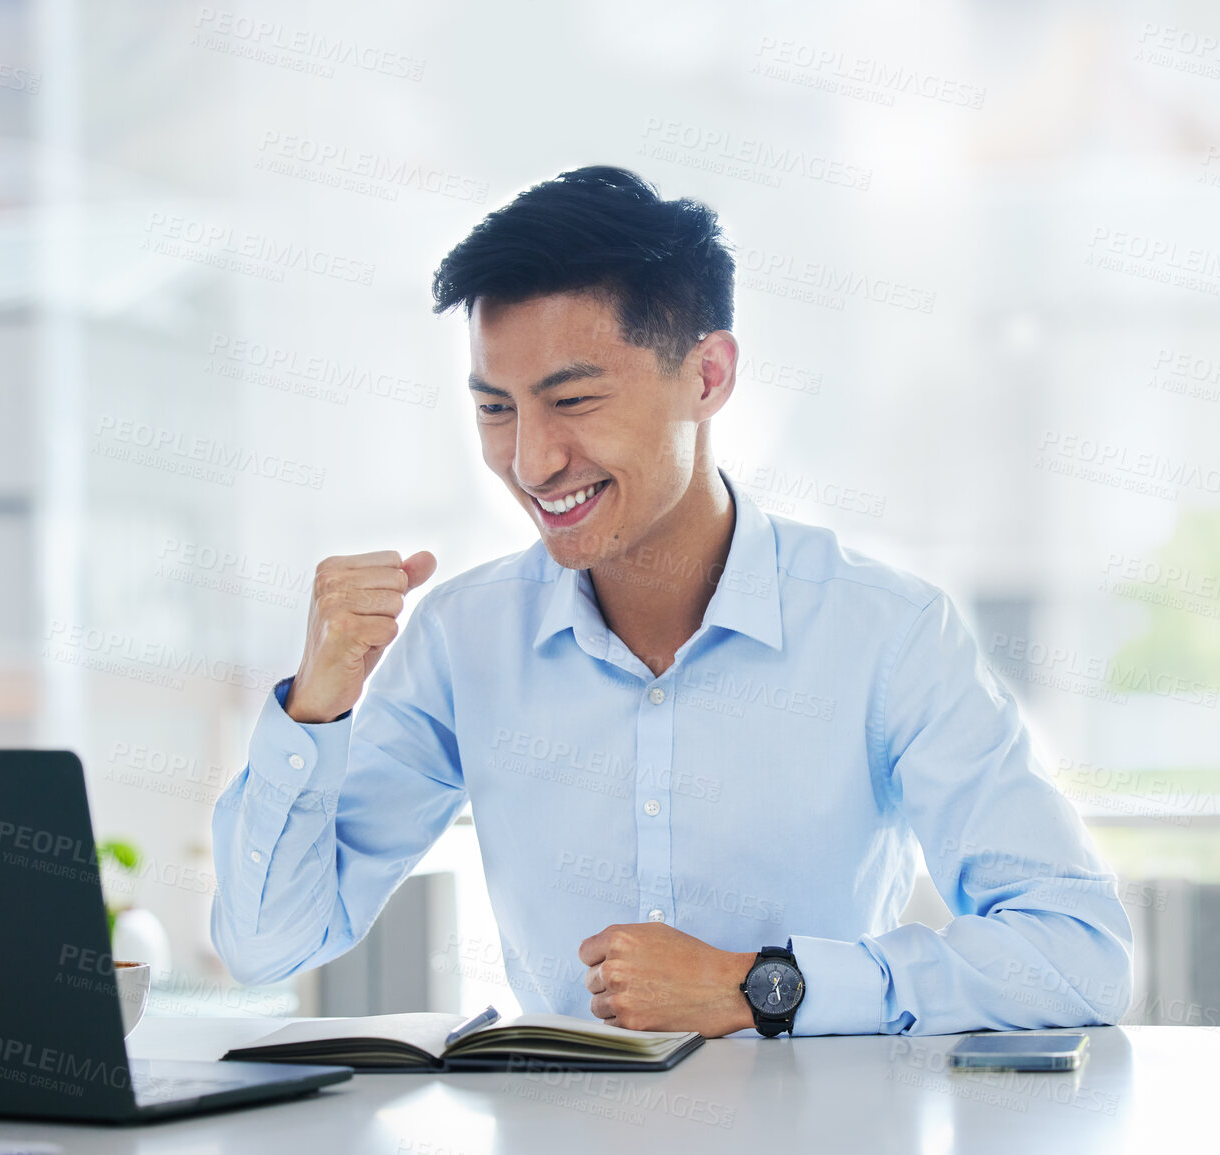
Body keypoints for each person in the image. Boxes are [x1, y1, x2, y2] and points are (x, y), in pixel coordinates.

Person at [210, 165, 1132, 1037]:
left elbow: (1077, 955)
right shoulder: (463, 640)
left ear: (707, 376)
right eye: (497, 409)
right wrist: (317, 704)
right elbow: (269, 944)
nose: (530, 462)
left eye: (572, 399)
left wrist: (759, 986)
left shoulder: (884, 634)